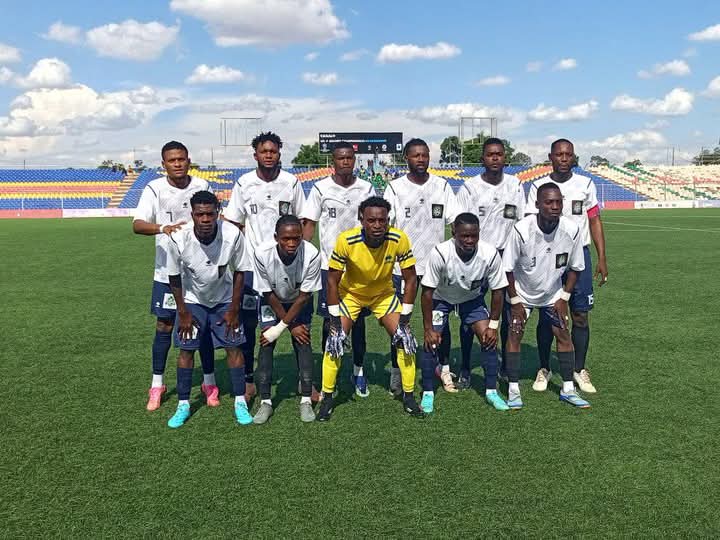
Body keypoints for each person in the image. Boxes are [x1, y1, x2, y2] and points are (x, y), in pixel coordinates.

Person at [317, 197, 424, 421]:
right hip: (351, 295)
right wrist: (335, 321)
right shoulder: (346, 240)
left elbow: (411, 279)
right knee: (334, 341)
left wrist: (405, 317)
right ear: (361, 220)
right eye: (371, 220)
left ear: (388, 220)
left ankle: (409, 396)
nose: (377, 225)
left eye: (382, 220)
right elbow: (332, 281)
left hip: (383, 295)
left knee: (404, 339)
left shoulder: (398, 238)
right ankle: (327, 398)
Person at [132, 141, 217, 411]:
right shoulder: (154, 188)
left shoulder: (202, 186)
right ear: (164, 164)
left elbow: (216, 218)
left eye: (181, 159)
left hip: (201, 272)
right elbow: (137, 224)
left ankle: (209, 382)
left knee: (203, 326)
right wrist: (163, 228)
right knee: (165, 325)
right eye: (172, 160)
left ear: (189, 161)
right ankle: (157, 384)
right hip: (167, 272)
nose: (177, 164)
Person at [223, 132, 305, 401]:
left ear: (279, 154)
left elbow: (303, 221)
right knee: (248, 325)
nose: (269, 155)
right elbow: (233, 221)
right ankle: (249, 380)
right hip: (251, 267)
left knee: (296, 319)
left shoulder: (291, 183)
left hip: (286, 266)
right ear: (255, 154)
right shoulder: (244, 183)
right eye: (264, 151)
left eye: (273, 151)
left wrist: (300, 254)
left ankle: (305, 382)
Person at [165, 191, 254, 428]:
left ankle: (240, 402)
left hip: (224, 299)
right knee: (186, 351)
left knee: (234, 347)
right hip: (192, 301)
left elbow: (240, 271)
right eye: (200, 214)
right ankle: (183, 404)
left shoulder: (232, 234)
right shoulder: (178, 238)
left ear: (218, 212)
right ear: (192, 214)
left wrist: (234, 308)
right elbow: (173, 276)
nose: (205, 219)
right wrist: (182, 311)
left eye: (210, 214)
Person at [383, 138, 464, 395]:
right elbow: (386, 227)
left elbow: (455, 222)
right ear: (406, 158)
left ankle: (443, 367)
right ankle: (397, 371)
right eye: (416, 155)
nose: (421, 159)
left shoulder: (442, 186)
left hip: (436, 267)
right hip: (403, 268)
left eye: (425, 155)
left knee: (441, 320)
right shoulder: (395, 188)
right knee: (399, 321)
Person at [526, 139, 608, 393]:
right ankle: (544, 368)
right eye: (559, 154)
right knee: (546, 315)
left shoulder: (585, 184)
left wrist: (602, 257)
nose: (564, 158)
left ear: (573, 157)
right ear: (550, 157)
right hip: (547, 257)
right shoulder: (538, 186)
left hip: (578, 256)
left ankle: (578, 369)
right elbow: (530, 224)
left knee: (580, 315)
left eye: (568, 154)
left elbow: (594, 220)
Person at [502, 182, 591, 409]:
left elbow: (576, 268)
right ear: (537, 204)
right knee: (514, 333)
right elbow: (507, 269)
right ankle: (513, 390)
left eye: (558, 202)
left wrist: (564, 297)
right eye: (549, 202)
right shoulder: (522, 230)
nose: (555, 206)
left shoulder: (572, 230)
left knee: (563, 334)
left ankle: (568, 389)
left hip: (553, 294)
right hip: (522, 294)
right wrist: (515, 301)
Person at [301, 142, 375, 397]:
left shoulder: (366, 188)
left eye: (349, 158)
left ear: (354, 160)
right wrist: (304, 255)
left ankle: (358, 370)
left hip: (360, 266)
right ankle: (328, 375)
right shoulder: (321, 188)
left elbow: (375, 222)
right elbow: (309, 223)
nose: (345, 162)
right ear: (333, 161)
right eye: (340, 158)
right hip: (329, 266)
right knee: (329, 322)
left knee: (359, 322)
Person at [420, 213, 510, 413]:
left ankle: (491, 392)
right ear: (454, 234)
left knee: (488, 338)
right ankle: (427, 393)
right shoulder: (440, 253)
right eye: (464, 236)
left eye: (474, 236)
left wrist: (493, 326)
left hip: (471, 300)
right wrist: (428, 328)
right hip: (442, 299)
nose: (469, 240)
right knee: (431, 341)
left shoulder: (489, 253)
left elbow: (498, 290)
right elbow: (426, 292)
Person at [459, 137, 525, 388]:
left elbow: (522, 222)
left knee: (509, 313)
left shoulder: (515, 185)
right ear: (483, 158)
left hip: (507, 258)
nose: (495, 158)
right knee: (469, 313)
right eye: (490, 154)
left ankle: (506, 366)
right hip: (476, 256)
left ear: (505, 158)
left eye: (499, 154)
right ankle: (465, 367)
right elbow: (459, 223)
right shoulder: (470, 188)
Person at [253, 215, 322, 424]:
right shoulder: (262, 253)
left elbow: (304, 296)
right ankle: (265, 402)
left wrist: (284, 326)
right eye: (286, 239)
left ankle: (306, 400)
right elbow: (267, 293)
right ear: (276, 238)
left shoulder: (312, 254)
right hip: (272, 300)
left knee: (303, 341)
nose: (291, 243)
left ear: (302, 236)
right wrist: (285, 327)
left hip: (299, 301)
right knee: (267, 341)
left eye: (296, 238)